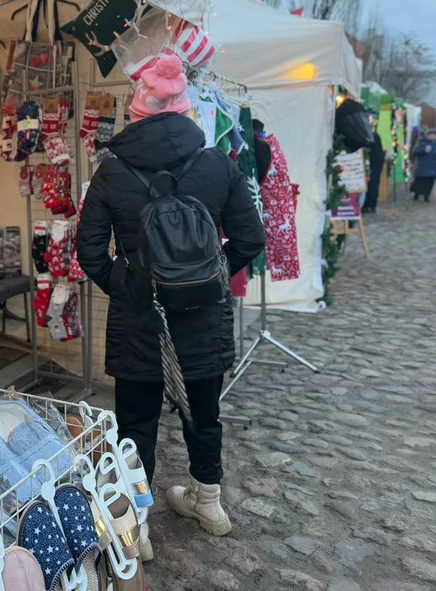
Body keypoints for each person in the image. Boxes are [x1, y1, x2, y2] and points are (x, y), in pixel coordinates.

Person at [77, 53, 265, 544]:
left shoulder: (111, 173)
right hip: (203, 320)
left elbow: (90, 254)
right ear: (186, 112)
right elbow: (250, 238)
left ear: (135, 115)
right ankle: (208, 504)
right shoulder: (217, 165)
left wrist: (133, 284)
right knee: (204, 413)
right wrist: (211, 275)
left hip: (141, 321)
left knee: (135, 421)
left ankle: (135, 527)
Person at [410, 129, 436, 201]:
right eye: (431, 135)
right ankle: (417, 194)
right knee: (420, 181)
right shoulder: (422, 142)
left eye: (435, 135)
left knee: (429, 182)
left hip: (433, 167)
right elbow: (415, 151)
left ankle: (427, 196)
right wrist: (423, 150)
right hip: (422, 165)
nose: (433, 136)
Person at [362, 132, 385, 213]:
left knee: (371, 184)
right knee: (375, 184)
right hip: (378, 162)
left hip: (373, 162)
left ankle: (368, 205)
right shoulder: (375, 136)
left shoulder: (369, 137)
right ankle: (372, 205)